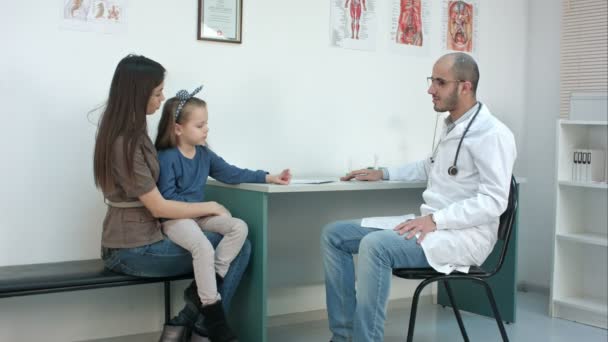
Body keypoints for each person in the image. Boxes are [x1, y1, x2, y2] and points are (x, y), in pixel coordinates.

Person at [321, 52, 516, 342]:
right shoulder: (453, 126)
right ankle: (344, 337)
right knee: (334, 234)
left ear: (465, 86)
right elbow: (430, 165)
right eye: (432, 81)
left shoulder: (493, 134)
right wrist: (383, 172)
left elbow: (493, 202)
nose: (430, 89)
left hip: (463, 237)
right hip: (431, 226)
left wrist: (436, 220)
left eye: (439, 82)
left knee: (376, 246)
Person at [93, 55, 248, 342]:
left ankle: (188, 321)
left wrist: (266, 176)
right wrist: (212, 206)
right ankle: (206, 325)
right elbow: (158, 206)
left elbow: (226, 170)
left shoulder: (132, 133)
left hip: (139, 239)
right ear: (137, 94)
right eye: (156, 92)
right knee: (240, 248)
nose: (162, 98)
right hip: (131, 249)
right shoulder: (125, 142)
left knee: (235, 239)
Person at [154, 85, 292, 341]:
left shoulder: (204, 154)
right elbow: (167, 199)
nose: (206, 129)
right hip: (175, 220)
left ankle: (209, 284)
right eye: (200, 125)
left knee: (238, 226)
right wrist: (203, 211)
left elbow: (231, 173)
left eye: (206, 123)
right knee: (203, 247)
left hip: (198, 218)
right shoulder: (167, 157)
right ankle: (213, 312)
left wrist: (269, 177)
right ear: (177, 129)